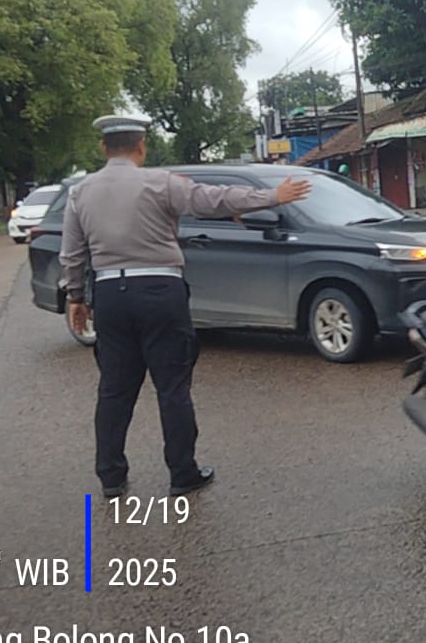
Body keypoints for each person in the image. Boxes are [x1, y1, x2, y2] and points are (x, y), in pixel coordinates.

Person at [60, 115, 312, 500]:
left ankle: (111, 476)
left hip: (110, 293)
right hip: (161, 290)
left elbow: (72, 254)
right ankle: (182, 473)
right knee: (172, 387)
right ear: (141, 146)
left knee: (114, 389)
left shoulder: (80, 193)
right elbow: (214, 200)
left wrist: (76, 297)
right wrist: (273, 196)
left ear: (103, 148)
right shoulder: (162, 183)